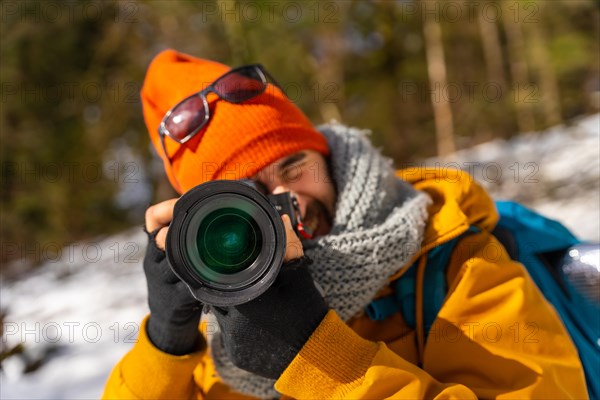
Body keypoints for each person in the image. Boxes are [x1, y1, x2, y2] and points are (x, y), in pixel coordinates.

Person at [102, 49, 588, 399]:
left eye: (294, 166)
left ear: (328, 157)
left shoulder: (451, 258)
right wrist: (166, 343)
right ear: (207, 218)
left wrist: (318, 356)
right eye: (247, 194)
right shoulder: (224, 325)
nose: (285, 198)